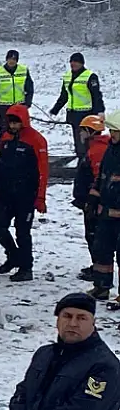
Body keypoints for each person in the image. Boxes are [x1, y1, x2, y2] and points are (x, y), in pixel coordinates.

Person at [0, 104, 48, 282]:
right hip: (6, 193)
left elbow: (43, 170)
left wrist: (40, 197)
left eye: (16, 122)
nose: (13, 126)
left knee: (22, 231)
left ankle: (26, 267)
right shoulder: (5, 138)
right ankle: (13, 255)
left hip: (26, 194)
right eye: (11, 122)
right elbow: (0, 164)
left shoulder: (36, 140)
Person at [87, 112, 120, 304]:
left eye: (115, 131)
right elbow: (102, 175)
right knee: (102, 250)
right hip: (106, 213)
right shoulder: (111, 149)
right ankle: (101, 287)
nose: (111, 133)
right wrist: (93, 196)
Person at [50, 52, 104, 161]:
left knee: (88, 141)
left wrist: (100, 111)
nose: (73, 64)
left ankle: (90, 161)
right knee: (78, 142)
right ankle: (82, 161)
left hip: (87, 114)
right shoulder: (67, 77)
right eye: (72, 61)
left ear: (82, 63)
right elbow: (64, 95)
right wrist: (55, 109)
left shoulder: (90, 76)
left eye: (76, 62)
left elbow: (96, 95)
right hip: (73, 114)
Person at [73, 115, 108, 282]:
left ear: (89, 131)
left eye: (82, 130)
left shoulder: (97, 151)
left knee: (95, 237)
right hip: (91, 201)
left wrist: (92, 201)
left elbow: (98, 178)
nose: (80, 133)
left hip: (95, 203)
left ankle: (99, 270)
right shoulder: (95, 148)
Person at [0, 50, 34, 134]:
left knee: (21, 129)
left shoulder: (23, 70)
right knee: (4, 129)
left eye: (14, 59)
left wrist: (28, 103)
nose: (12, 61)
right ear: (6, 59)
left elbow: (30, 88)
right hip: (4, 106)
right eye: (10, 59)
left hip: (20, 105)